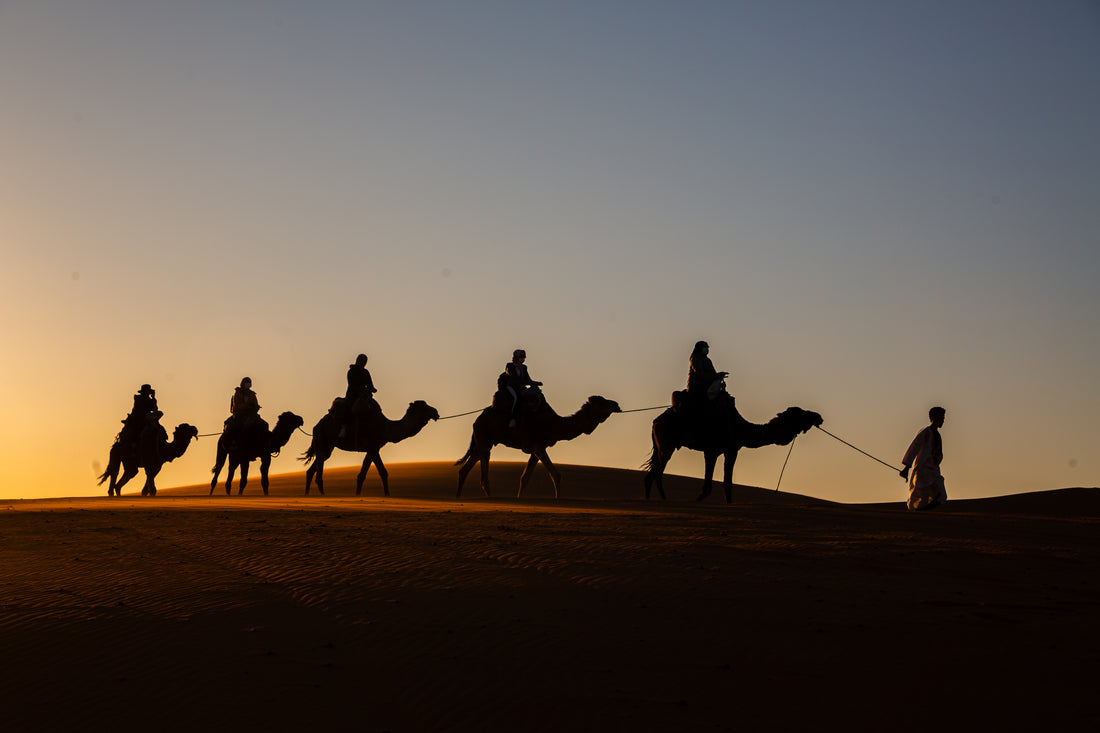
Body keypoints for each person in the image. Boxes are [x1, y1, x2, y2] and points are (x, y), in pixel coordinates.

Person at [900, 406, 948, 511]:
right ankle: (921, 516)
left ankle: (925, 512)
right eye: (940, 418)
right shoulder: (925, 433)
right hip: (923, 472)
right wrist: (906, 468)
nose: (942, 421)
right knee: (922, 499)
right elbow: (914, 448)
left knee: (942, 495)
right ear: (933, 418)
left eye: (943, 419)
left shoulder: (938, 435)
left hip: (934, 471)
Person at [503, 349, 543, 427]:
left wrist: (536, 383)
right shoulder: (510, 366)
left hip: (521, 387)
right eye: (521, 357)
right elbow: (514, 379)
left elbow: (528, 379)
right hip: (512, 387)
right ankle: (512, 418)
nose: (523, 359)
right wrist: (527, 382)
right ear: (516, 357)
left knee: (536, 393)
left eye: (524, 357)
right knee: (516, 398)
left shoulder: (524, 368)